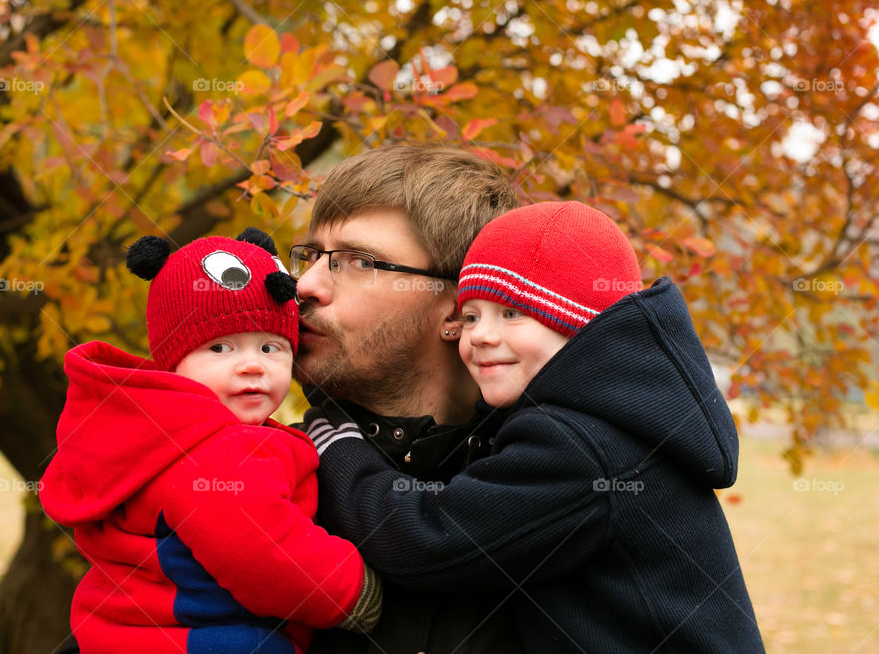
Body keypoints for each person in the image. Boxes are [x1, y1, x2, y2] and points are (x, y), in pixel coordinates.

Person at [305, 200, 767, 653]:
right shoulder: (614, 420)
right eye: (471, 316)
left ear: (576, 326)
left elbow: (429, 540)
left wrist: (338, 445)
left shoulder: (581, 447)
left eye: (512, 313)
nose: (482, 335)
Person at [39, 229, 381, 654]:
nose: (252, 366)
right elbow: (264, 554)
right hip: (209, 640)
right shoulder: (217, 449)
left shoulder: (161, 436)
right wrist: (353, 590)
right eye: (220, 348)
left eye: (271, 347)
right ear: (174, 364)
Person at [291, 144, 525, 653]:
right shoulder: (260, 477)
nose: (305, 285)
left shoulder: (546, 496)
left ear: (456, 309)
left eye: (355, 261)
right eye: (309, 257)